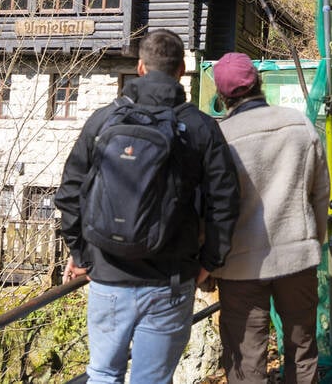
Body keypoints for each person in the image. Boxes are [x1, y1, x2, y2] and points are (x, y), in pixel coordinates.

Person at [54, 29, 240, 384]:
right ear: (181, 70)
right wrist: (210, 262)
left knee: (102, 374)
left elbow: (70, 192)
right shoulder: (200, 127)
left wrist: (81, 254)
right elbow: (225, 201)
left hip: (108, 274)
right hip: (170, 279)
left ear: (140, 67)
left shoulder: (103, 120)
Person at [211, 52, 330, 384]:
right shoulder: (298, 124)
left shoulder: (220, 137)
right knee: (302, 351)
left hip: (239, 266)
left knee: (246, 359)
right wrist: (313, 241)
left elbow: (211, 205)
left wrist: (209, 263)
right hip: (297, 257)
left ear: (221, 95)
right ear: (259, 82)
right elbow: (321, 193)